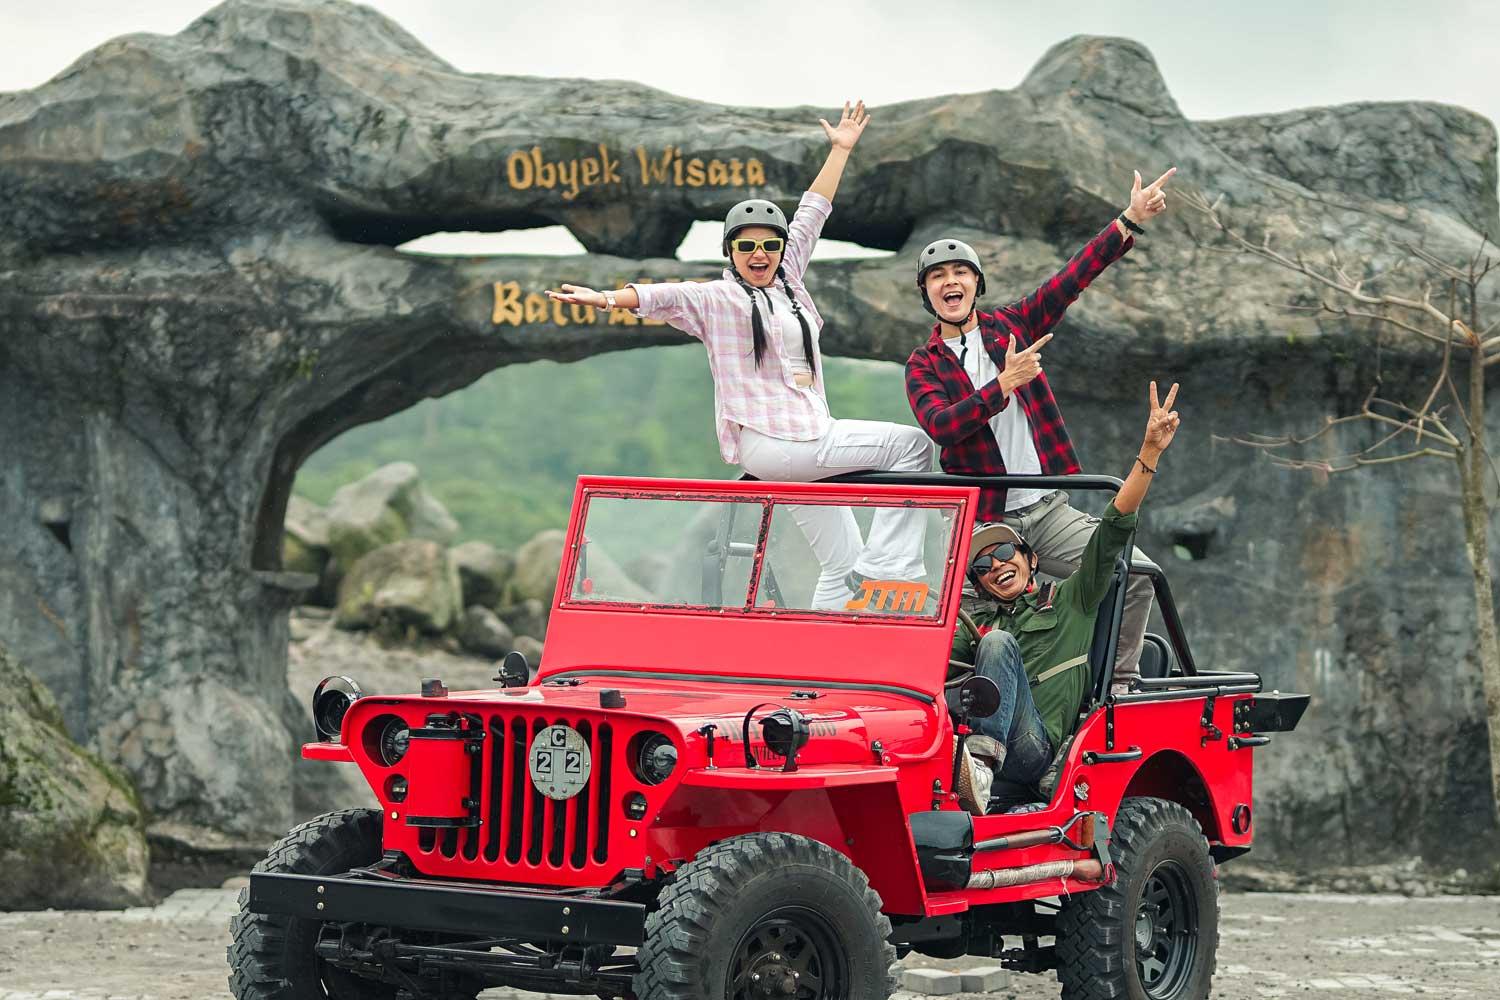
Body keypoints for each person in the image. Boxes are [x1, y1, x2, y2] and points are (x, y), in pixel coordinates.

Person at [549, 103, 932, 610]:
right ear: (731, 251)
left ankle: (820, 658)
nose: (760, 254)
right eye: (747, 246)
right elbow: (660, 296)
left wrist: (840, 150)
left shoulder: (789, 281)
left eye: (769, 245)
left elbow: (812, 213)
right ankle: (887, 571)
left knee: (841, 563)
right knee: (912, 446)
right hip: (778, 443)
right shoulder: (717, 299)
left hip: (806, 437)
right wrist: (604, 299)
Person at [905, 168, 1175, 686]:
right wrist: (1003, 385)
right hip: (983, 521)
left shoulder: (1012, 326)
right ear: (927, 294)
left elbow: (1070, 281)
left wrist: (1130, 221)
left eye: (960, 273)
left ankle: (1112, 687)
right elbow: (941, 425)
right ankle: (964, 710)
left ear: (976, 285)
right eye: (938, 277)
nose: (950, 282)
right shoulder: (924, 363)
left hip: (1047, 509)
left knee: (1134, 573)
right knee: (954, 619)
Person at [953, 382, 1181, 788]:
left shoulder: (1071, 600)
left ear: (1032, 559)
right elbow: (933, 663)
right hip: (958, 748)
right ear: (980, 584)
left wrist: (1149, 453)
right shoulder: (975, 625)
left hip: (1032, 748)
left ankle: (981, 768)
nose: (997, 564)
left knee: (997, 644)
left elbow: (1112, 530)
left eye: (1006, 552)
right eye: (984, 564)